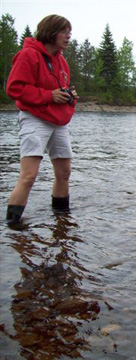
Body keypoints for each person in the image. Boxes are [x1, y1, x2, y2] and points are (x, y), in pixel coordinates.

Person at [6, 14, 78, 226]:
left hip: (58, 121)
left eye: (70, 32)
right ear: (51, 32)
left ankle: (61, 220)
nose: (68, 36)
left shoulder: (62, 61)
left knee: (64, 172)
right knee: (29, 176)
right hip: (34, 119)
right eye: (64, 32)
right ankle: (13, 228)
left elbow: (58, 90)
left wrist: (68, 97)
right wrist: (49, 95)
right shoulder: (28, 55)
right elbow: (14, 88)